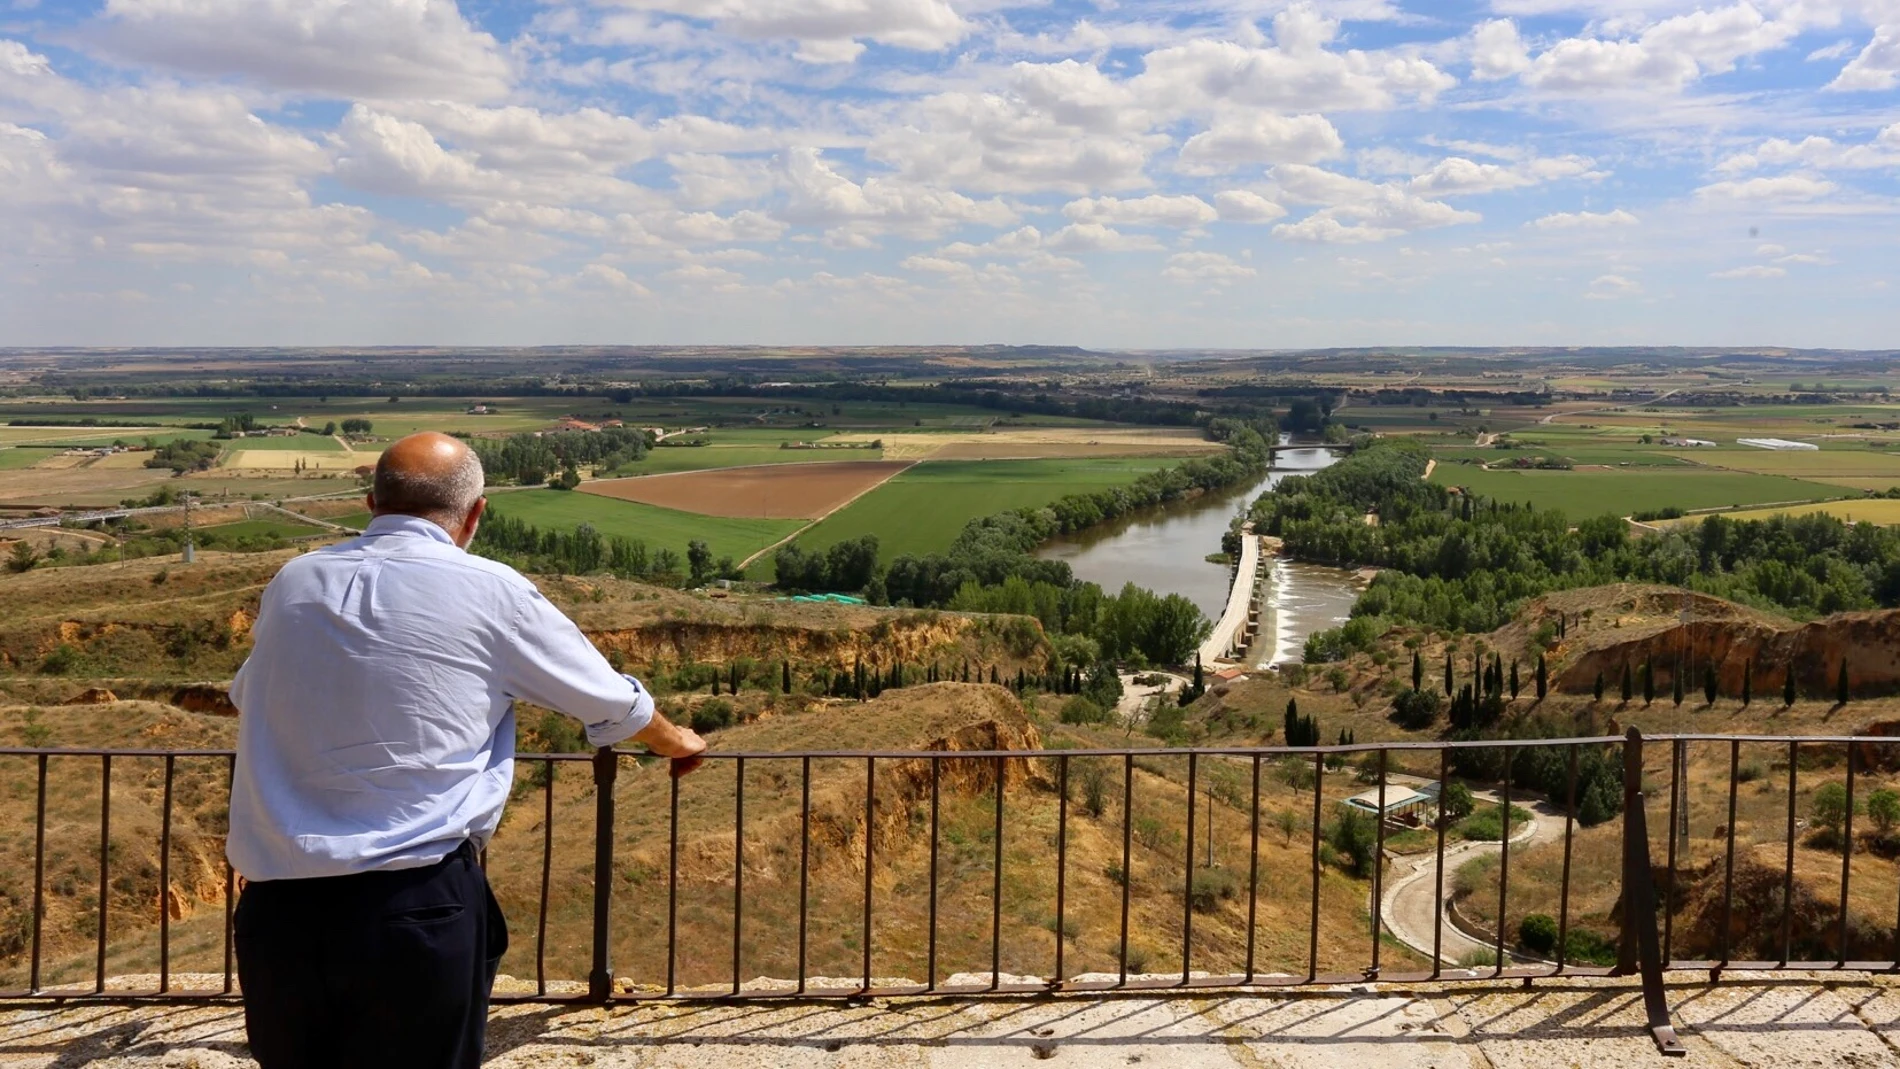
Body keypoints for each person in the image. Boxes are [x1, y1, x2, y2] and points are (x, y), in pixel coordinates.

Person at [227, 431, 706, 1068]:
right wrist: (676, 742)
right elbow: (611, 704)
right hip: (412, 903)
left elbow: (246, 693)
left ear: (372, 503)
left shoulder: (295, 580)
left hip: (278, 909)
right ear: (476, 512)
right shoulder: (491, 590)